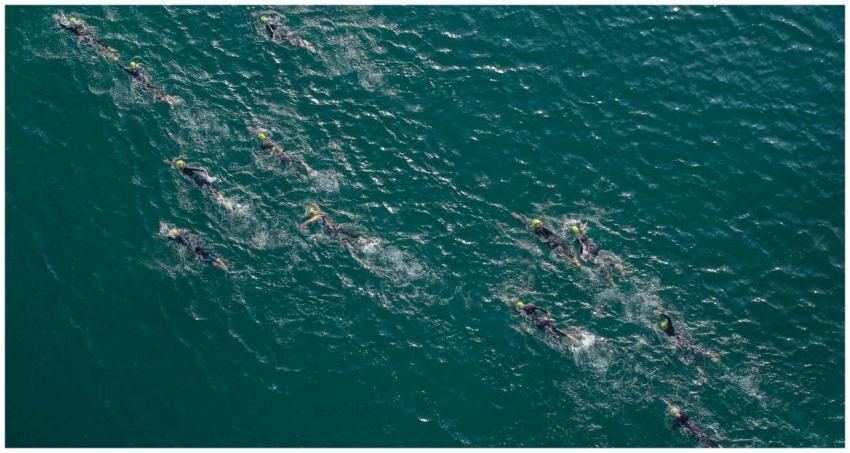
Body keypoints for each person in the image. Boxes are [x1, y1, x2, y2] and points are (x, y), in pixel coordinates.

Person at [511, 212, 581, 267]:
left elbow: (525, 224)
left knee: (567, 255)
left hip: (554, 243)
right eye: (541, 223)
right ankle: (576, 262)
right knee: (568, 254)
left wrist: (517, 217)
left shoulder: (535, 231)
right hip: (556, 243)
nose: (542, 223)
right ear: (539, 225)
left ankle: (575, 262)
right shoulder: (542, 229)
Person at [160, 221, 228, 270]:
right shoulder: (207, 257)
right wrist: (223, 266)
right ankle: (224, 267)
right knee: (182, 240)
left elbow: (189, 245)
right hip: (191, 247)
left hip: (190, 246)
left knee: (181, 240)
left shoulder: (201, 255)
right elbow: (216, 261)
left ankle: (167, 231)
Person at [55, 15, 120, 61]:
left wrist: (58, 20)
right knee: (98, 42)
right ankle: (110, 48)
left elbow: (64, 26)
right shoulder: (81, 25)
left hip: (85, 39)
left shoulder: (72, 29)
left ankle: (109, 55)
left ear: (72, 23)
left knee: (95, 47)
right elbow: (84, 26)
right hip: (89, 36)